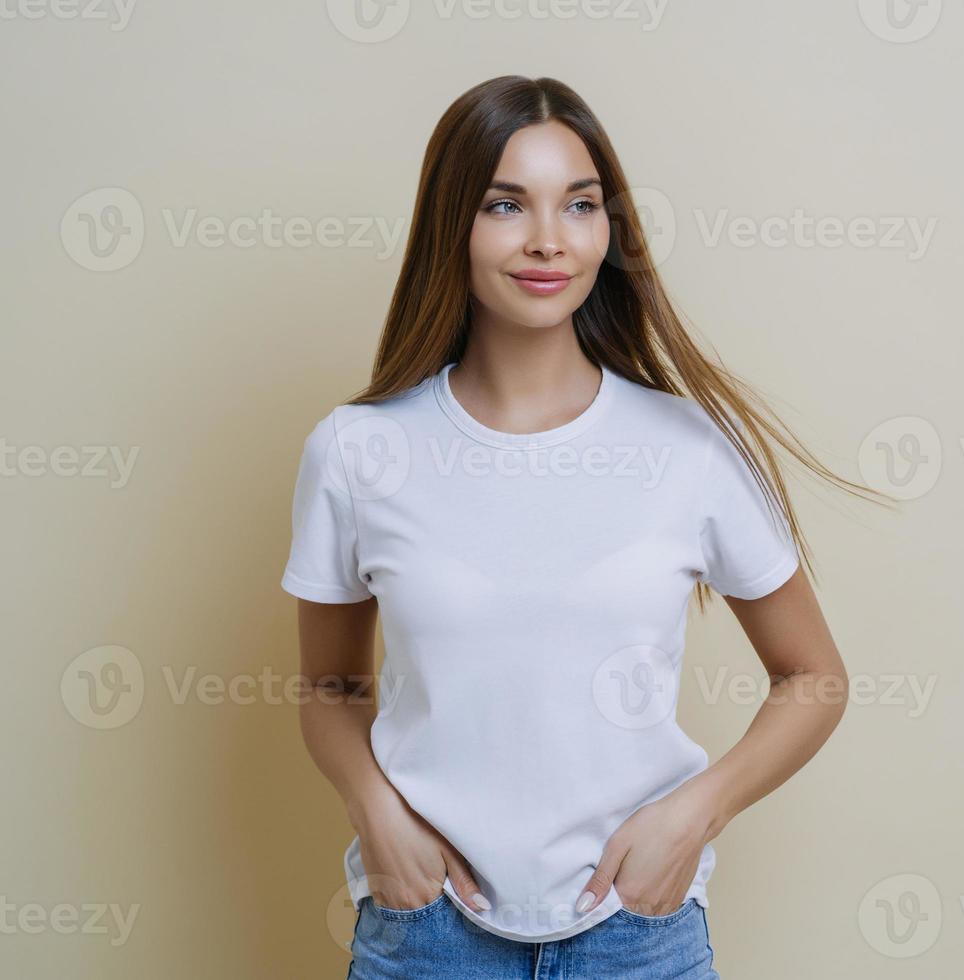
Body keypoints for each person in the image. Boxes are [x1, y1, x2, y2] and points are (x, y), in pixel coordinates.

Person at [282, 75, 871, 979]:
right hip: (428, 935)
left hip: (638, 938)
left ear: (609, 230)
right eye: (505, 204)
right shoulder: (359, 450)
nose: (548, 239)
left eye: (580, 204)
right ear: (453, 225)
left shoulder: (688, 448)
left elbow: (813, 678)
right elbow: (326, 683)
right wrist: (376, 813)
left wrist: (694, 816)